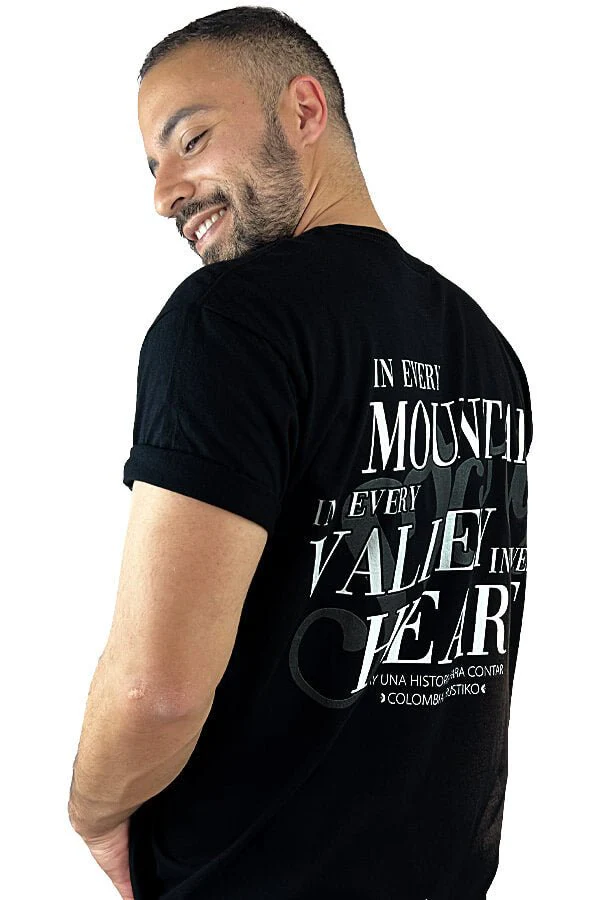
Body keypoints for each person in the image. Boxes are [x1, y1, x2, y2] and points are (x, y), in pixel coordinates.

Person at [68, 7, 533, 899]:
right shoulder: (485, 348)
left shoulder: (228, 322)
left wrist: (92, 813)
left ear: (305, 109)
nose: (165, 194)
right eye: (153, 167)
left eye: (190, 140)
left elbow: (155, 692)